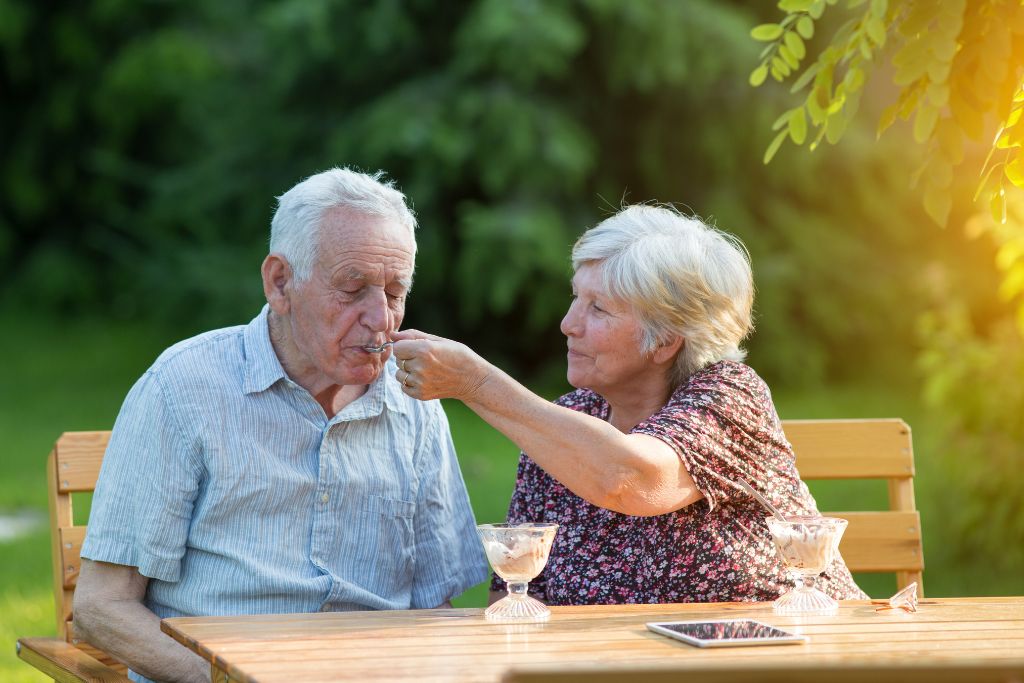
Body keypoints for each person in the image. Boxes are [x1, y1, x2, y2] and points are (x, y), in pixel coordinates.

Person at [75, 168, 487, 683]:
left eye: (395, 292)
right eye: (353, 288)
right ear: (280, 282)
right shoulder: (184, 387)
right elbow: (101, 608)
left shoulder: (416, 406)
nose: (381, 318)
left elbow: (437, 607)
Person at [390, 204, 867, 606]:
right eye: (576, 298)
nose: (567, 324)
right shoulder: (567, 422)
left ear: (665, 342)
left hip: (780, 660)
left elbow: (631, 479)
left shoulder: (730, 396)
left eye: (598, 309)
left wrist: (475, 382)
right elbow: (514, 600)